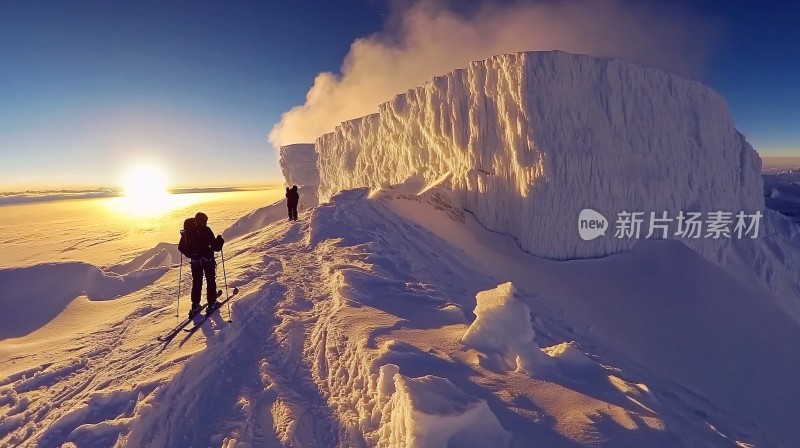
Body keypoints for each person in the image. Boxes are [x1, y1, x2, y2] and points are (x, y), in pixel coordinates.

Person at [178, 212, 224, 317]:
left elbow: (181, 247)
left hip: (195, 262)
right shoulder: (206, 231)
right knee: (210, 280)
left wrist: (190, 254)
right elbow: (216, 247)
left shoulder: (188, 232)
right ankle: (212, 303)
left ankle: (195, 305)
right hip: (208, 260)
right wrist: (220, 240)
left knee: (197, 282)